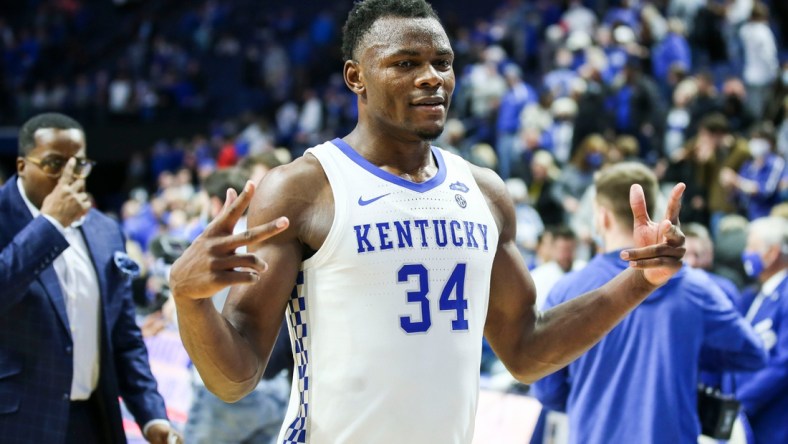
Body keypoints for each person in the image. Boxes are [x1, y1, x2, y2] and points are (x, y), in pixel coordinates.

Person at [168, 1, 688, 442]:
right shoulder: (306, 187)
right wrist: (189, 299)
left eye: (443, 61)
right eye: (405, 62)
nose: (432, 78)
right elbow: (235, 377)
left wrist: (638, 280)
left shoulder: (483, 192)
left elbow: (527, 351)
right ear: (356, 78)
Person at [531, 161, 766, 444]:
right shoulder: (697, 288)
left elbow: (547, 388)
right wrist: (685, 353)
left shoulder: (567, 289)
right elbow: (752, 354)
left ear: (602, 217)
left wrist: (595, 398)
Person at [0, 112, 180, 443]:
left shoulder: (105, 230)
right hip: (17, 424)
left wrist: (152, 416)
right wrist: (50, 224)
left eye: (79, 164)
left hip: (93, 422)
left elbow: (124, 340)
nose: (69, 176)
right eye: (54, 163)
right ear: (22, 165)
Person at [182, 167, 292, 444]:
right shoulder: (279, 237)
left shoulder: (209, 246)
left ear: (217, 204)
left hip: (223, 385)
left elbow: (188, 317)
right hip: (275, 385)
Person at [727, 216, 788, 444]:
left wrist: (741, 401)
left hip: (774, 419)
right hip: (751, 416)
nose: (746, 253)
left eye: (752, 247)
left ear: (772, 253)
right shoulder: (753, 295)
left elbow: (784, 363)